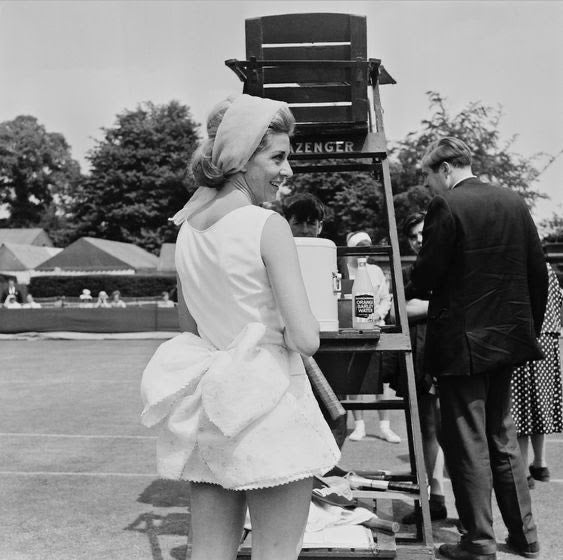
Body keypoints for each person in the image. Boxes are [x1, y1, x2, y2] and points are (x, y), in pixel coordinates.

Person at [140, 93, 340, 560]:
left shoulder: (187, 228)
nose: (288, 170)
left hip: (213, 408)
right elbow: (306, 338)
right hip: (272, 407)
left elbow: (190, 327)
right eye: (278, 158)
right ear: (243, 158)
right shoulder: (267, 225)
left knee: (209, 553)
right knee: (277, 552)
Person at [405, 137, 547, 560]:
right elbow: (537, 273)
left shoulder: (446, 206)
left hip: (462, 345)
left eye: (429, 176)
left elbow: (427, 275)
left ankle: (479, 540)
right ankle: (525, 536)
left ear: (445, 169)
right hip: (508, 341)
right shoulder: (513, 201)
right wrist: (526, 330)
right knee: (503, 438)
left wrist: (410, 290)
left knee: (466, 442)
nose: (428, 185)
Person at [282, 192, 347, 450]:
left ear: (320, 226)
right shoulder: (275, 250)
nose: (305, 229)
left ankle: (328, 465)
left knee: (332, 410)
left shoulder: (331, 253)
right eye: (298, 222)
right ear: (287, 223)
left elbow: (341, 291)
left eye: (311, 223)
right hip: (287, 341)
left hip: (325, 340)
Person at [396, 212, 447, 523]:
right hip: (421, 354)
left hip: (450, 351)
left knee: (454, 430)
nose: (418, 240)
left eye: (422, 234)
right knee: (426, 427)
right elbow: (396, 311)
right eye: (413, 236)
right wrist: (441, 305)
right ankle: (435, 497)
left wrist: (422, 307)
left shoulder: (450, 263)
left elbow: (460, 304)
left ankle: (468, 509)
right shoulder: (408, 271)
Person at [511, 262, 563, 489]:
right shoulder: (548, 268)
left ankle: (523, 471)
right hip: (549, 339)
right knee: (540, 403)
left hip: (525, 337)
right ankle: (540, 463)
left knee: (521, 407)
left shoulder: (517, 265)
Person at [345, 231, 400, 444]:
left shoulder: (375, 271)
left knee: (380, 379)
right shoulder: (341, 270)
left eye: (366, 247)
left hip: (376, 328)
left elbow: (386, 298)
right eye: (359, 247)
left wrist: (379, 313)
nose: (363, 252)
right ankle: (359, 426)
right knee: (354, 378)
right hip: (351, 331)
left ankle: (385, 426)